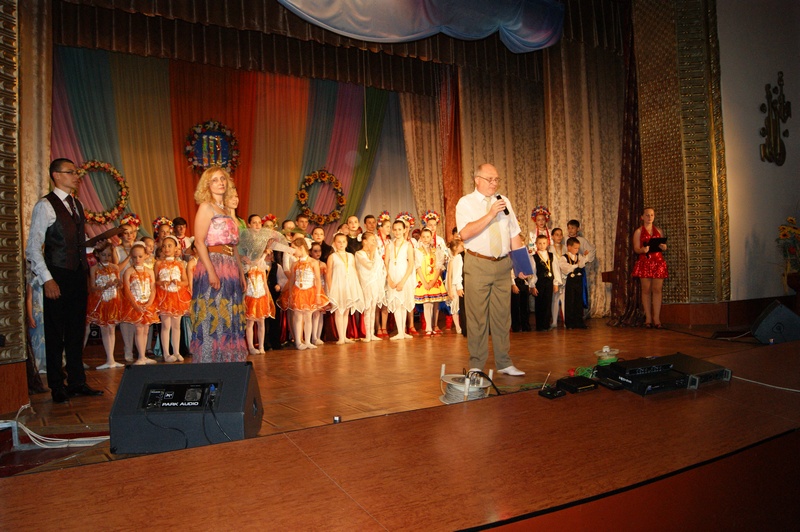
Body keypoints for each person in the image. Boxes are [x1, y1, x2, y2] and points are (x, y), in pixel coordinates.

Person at [25, 158, 103, 403]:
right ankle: (57, 385)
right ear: (56, 175)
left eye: (76, 172)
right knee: (55, 331)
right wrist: (47, 279)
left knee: (76, 330)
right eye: (70, 172)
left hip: (77, 274)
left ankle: (77, 382)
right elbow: (33, 248)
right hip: (57, 274)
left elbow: (73, 243)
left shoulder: (77, 204)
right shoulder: (45, 205)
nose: (76, 176)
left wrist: (93, 248)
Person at [455, 163, 525, 376]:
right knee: (477, 317)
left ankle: (504, 362)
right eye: (490, 179)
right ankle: (477, 364)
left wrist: (522, 265)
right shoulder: (465, 203)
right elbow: (465, 233)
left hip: (503, 265)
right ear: (477, 180)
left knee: (502, 316)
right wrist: (490, 214)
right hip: (478, 264)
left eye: (496, 179)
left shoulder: (504, 201)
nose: (494, 183)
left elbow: (514, 233)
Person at [190, 166, 248, 363]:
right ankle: (209, 360)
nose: (220, 183)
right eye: (214, 180)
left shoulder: (227, 210)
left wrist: (241, 273)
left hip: (230, 266)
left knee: (229, 312)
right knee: (212, 311)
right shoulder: (206, 207)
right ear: (207, 185)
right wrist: (211, 272)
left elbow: (234, 245)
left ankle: (228, 359)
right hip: (214, 263)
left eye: (222, 179)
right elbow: (199, 242)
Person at [280, 237, 330, 350]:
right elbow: (292, 280)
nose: (292, 251)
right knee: (298, 316)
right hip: (298, 291)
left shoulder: (313, 262)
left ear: (301, 247)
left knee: (308, 316)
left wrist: (318, 295)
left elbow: (317, 279)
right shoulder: (295, 264)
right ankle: (298, 342)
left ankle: (308, 341)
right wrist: (291, 294)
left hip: (310, 291)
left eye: (294, 248)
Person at [86, 240, 124, 369]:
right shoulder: (94, 268)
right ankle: (109, 359)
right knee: (105, 329)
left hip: (113, 300)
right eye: (103, 255)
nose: (106, 257)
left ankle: (111, 359)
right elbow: (92, 287)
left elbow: (120, 285)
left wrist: (118, 283)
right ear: (97, 254)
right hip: (101, 301)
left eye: (109, 255)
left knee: (112, 329)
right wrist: (104, 286)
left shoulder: (115, 267)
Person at [121, 241, 159, 364]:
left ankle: (144, 356)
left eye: (140, 256)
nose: (137, 259)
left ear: (146, 256)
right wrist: (135, 305)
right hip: (135, 305)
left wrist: (149, 303)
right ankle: (141, 356)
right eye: (134, 257)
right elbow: (127, 290)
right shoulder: (129, 271)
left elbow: (153, 288)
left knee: (146, 330)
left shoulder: (149, 271)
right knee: (138, 329)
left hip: (147, 304)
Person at [155, 235, 191, 362]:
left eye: (169, 246)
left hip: (177, 297)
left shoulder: (180, 264)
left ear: (176, 248)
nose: (166, 248)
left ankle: (176, 352)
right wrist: (162, 282)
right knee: (166, 326)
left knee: (176, 326)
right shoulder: (158, 263)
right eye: (164, 246)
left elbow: (186, 281)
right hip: (164, 297)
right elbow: (155, 280)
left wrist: (178, 282)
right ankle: (166, 353)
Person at [632, 207, 668, 328]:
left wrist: (664, 247)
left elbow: (663, 245)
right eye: (647, 215)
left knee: (657, 290)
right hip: (645, 262)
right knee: (646, 290)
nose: (649, 217)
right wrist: (642, 250)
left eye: (652, 215)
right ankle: (648, 318)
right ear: (642, 217)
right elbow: (636, 248)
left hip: (658, 262)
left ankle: (656, 318)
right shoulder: (638, 231)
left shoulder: (659, 230)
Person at [326, 233, 365, 344]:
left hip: (349, 285)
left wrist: (357, 285)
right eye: (339, 242)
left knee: (346, 311)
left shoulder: (351, 256)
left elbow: (354, 270)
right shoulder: (332, 257)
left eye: (343, 241)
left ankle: (344, 336)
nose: (341, 244)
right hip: (338, 285)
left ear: (346, 243)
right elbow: (328, 273)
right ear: (334, 243)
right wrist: (330, 288)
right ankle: (341, 337)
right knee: (339, 311)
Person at [384, 220, 416, 340]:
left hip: (404, 275)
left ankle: (403, 332)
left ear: (404, 230)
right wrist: (389, 279)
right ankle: (400, 332)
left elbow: (411, 264)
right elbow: (386, 263)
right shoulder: (389, 246)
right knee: (397, 303)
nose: (397, 232)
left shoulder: (408, 245)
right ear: (392, 230)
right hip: (393, 275)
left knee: (403, 303)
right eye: (395, 229)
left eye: (400, 229)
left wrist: (403, 281)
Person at [414, 228, 447, 336]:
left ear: (431, 237)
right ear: (420, 238)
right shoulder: (418, 251)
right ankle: (428, 327)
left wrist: (433, 281)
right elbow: (418, 267)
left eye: (428, 237)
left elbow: (439, 267)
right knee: (427, 303)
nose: (425, 239)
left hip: (434, 279)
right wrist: (424, 282)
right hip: (423, 278)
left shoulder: (436, 250)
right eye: (423, 237)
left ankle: (434, 325)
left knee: (435, 303)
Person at [355, 232, 386, 342]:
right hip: (366, 283)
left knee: (373, 308)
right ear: (364, 241)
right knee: (368, 308)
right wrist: (373, 253)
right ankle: (367, 334)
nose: (374, 242)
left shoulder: (374, 253)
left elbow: (380, 266)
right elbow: (369, 266)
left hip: (375, 283)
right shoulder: (359, 254)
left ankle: (372, 333)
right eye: (372, 240)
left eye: (374, 240)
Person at [531, 234, 562, 331]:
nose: (542, 245)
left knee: (548, 303)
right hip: (539, 283)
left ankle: (546, 324)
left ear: (547, 243)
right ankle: (540, 326)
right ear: (536, 244)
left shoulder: (552, 256)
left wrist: (556, 283)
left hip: (549, 282)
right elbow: (533, 272)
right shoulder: (534, 257)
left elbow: (556, 270)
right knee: (539, 303)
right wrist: (532, 285)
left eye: (544, 243)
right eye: (539, 243)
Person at [567, 219, 596, 317]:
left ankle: (579, 315)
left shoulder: (582, 240)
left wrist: (585, 259)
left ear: (578, 229)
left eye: (573, 228)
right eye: (569, 228)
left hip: (579, 268)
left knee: (580, 291)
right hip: (568, 269)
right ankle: (569, 315)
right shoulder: (564, 239)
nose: (570, 230)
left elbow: (591, 250)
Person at [559, 237, 588, 329]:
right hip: (571, 281)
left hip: (578, 281)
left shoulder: (579, 256)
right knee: (570, 301)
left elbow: (582, 264)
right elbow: (566, 268)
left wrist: (584, 258)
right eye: (575, 248)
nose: (577, 250)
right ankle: (570, 323)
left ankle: (579, 321)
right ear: (569, 247)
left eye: (578, 248)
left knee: (578, 301)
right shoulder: (564, 257)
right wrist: (576, 265)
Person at [548, 228, 567, 328]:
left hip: (564, 276)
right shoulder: (549, 248)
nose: (559, 237)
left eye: (560, 234)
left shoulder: (566, 248)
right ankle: (554, 321)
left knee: (564, 299)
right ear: (552, 236)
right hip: (555, 277)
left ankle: (566, 321)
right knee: (554, 299)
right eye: (556, 234)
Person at [446, 239, 465, 334]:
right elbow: (451, 275)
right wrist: (451, 289)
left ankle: (459, 326)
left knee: (456, 306)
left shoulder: (456, 258)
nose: (463, 247)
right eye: (461, 246)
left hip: (455, 284)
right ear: (455, 247)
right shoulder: (455, 258)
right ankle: (458, 327)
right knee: (455, 306)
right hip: (454, 285)